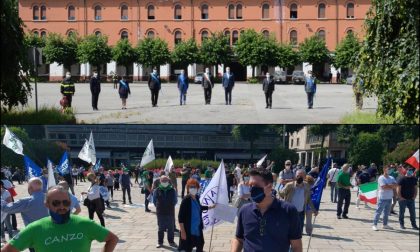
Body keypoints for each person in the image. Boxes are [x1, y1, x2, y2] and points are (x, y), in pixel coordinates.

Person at [1, 186, 119, 252]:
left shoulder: (85, 224)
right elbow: (7, 250)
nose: (62, 206)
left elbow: (112, 239)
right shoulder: (35, 228)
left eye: (66, 202)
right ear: (46, 204)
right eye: (56, 203)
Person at [232, 168, 302, 252]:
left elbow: (296, 246)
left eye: (255, 186)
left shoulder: (288, 211)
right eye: (250, 185)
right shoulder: (244, 210)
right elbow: (239, 239)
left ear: (269, 186)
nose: (251, 189)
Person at [178, 179, 215, 252]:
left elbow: (199, 207)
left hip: (197, 228)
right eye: (191, 187)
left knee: (200, 244)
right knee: (188, 247)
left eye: (195, 187)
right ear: (188, 188)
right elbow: (180, 217)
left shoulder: (197, 197)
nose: (193, 188)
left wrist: (210, 207)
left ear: (198, 188)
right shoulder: (186, 200)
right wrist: (182, 231)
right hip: (189, 229)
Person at [279, 169, 317, 235]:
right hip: (290, 212)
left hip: (301, 212)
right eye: (297, 176)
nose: (299, 177)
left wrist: (314, 210)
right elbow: (281, 194)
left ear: (305, 177)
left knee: (299, 232)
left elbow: (308, 200)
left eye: (301, 176)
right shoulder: (289, 185)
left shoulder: (307, 186)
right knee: (288, 230)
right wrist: (279, 191)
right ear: (295, 176)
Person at [153, 176, 177, 248]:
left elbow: (175, 201)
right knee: (160, 228)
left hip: (170, 212)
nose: (164, 182)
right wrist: (160, 207)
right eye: (163, 181)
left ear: (168, 181)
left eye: (166, 180)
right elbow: (154, 201)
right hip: (160, 212)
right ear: (160, 181)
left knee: (171, 228)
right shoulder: (156, 190)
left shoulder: (172, 190)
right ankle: (160, 242)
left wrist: (169, 206)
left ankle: (171, 241)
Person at [372, 165, 397, 231]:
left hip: (389, 197)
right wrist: (391, 186)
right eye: (388, 169)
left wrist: (388, 185)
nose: (389, 170)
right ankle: (374, 224)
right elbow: (384, 187)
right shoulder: (381, 178)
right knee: (378, 211)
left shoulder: (391, 177)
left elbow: (396, 186)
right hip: (382, 197)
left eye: (390, 169)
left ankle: (385, 224)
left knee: (386, 212)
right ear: (384, 169)